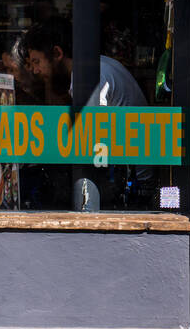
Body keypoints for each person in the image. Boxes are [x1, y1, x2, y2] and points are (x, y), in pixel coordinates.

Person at [22, 16, 153, 206]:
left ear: (57, 53)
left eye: (37, 62)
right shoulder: (95, 65)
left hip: (133, 185)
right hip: (125, 173)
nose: (34, 70)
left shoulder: (89, 78)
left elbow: (89, 138)